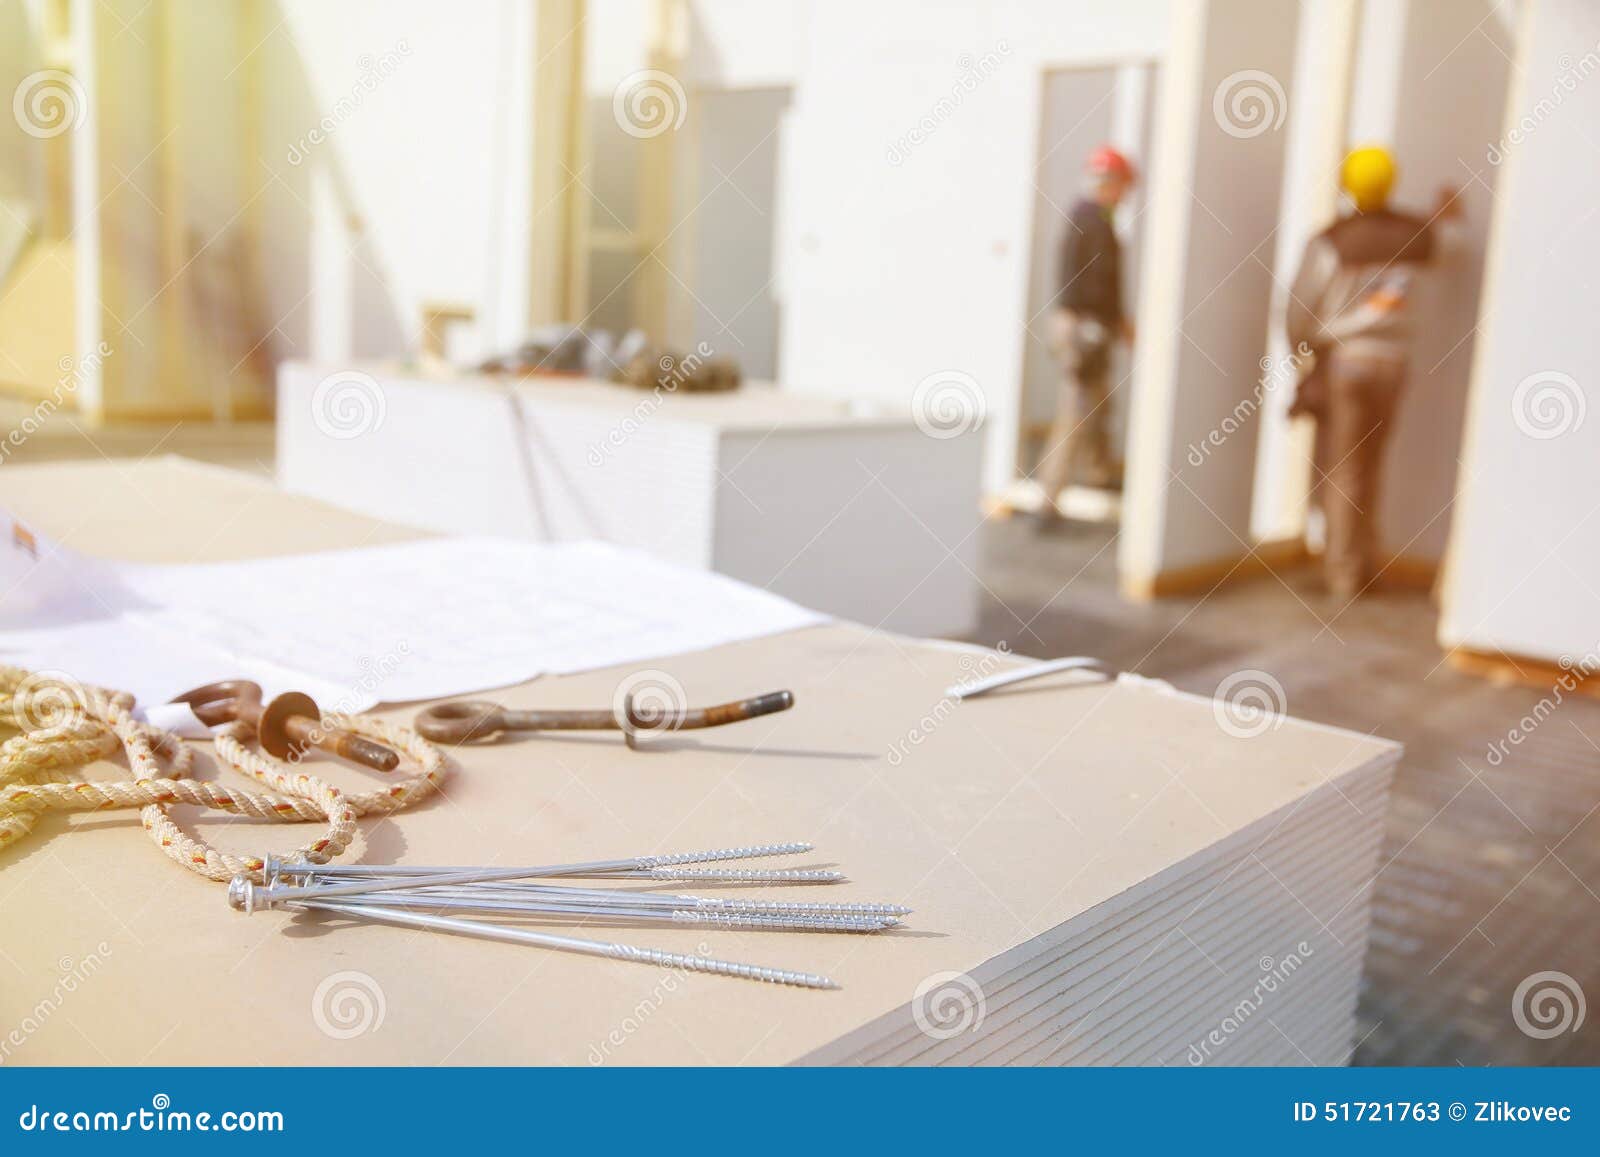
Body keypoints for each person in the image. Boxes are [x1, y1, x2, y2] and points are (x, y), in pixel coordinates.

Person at [1285, 145, 1460, 599]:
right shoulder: (1417, 236)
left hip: (1345, 360)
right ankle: (1368, 566)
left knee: (1343, 469)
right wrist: (1441, 215)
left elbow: (1298, 309)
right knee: (1371, 465)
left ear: (1347, 184)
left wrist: (1300, 354)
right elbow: (1446, 243)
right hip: (1393, 361)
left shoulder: (1332, 240)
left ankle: (1342, 574)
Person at [1035, 144, 1137, 525]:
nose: (1126, 194)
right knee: (1076, 413)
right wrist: (1116, 323)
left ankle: (1099, 475)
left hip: (1085, 326)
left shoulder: (1092, 218)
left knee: (1099, 403)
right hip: (1083, 329)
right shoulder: (1092, 222)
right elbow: (1094, 287)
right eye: (1124, 185)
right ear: (1110, 183)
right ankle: (1048, 501)